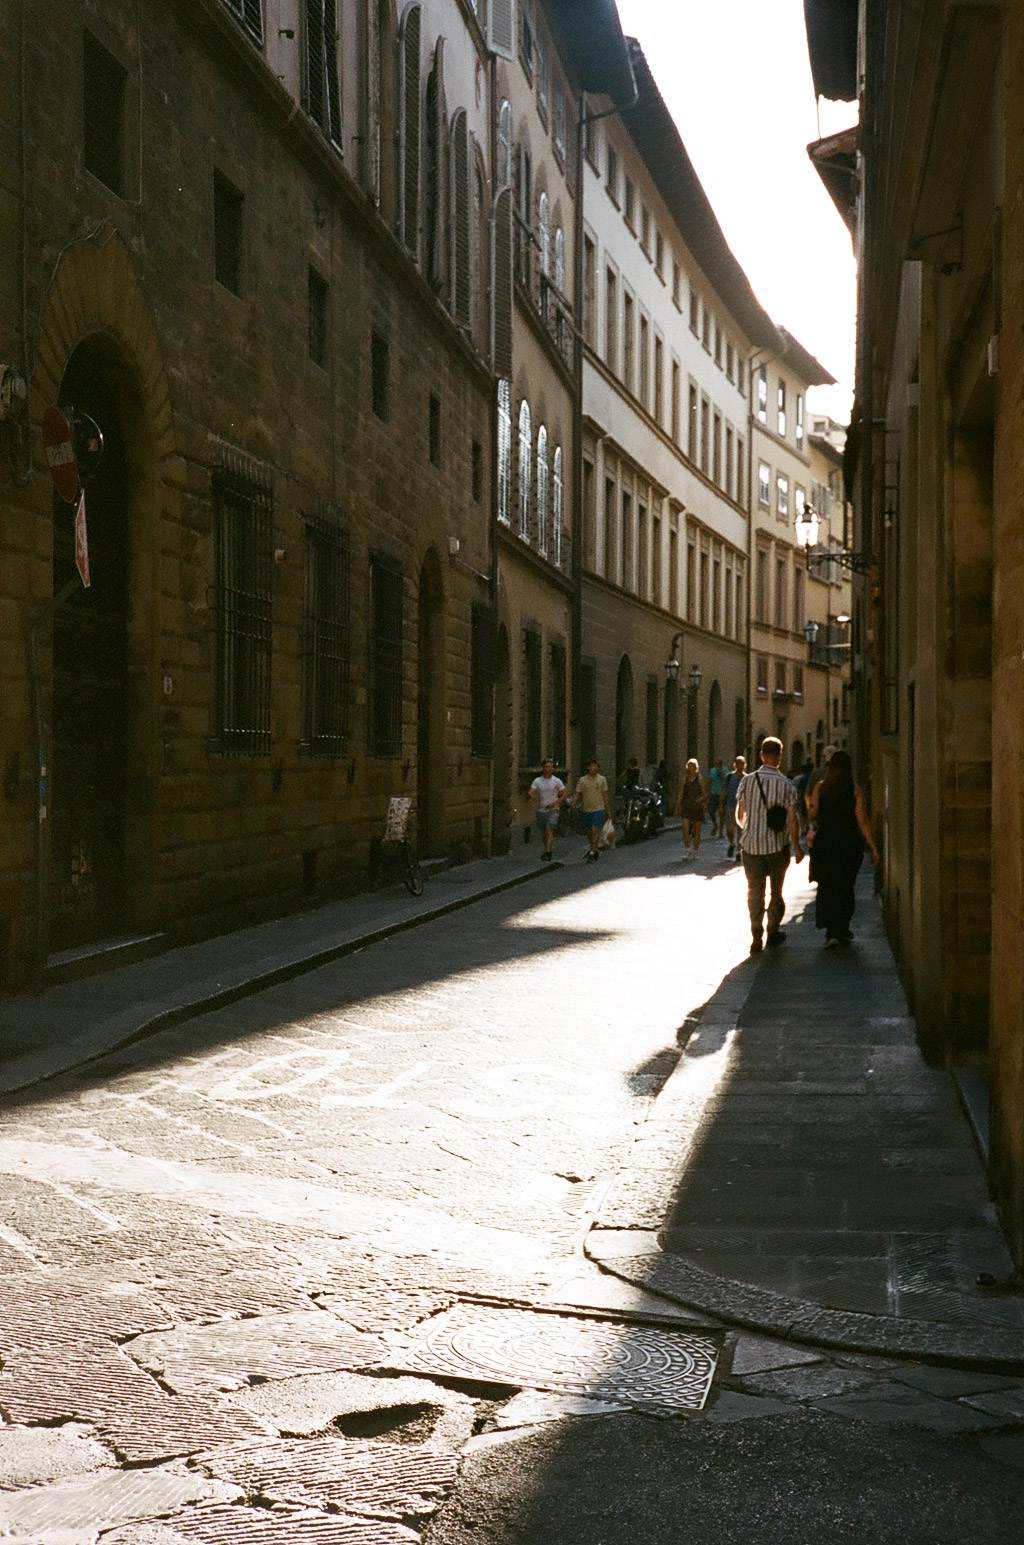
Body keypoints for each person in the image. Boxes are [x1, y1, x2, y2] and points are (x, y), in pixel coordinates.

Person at [735, 736, 804, 952]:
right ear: (780, 757)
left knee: (754, 891)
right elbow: (792, 819)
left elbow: (740, 813)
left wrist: (748, 828)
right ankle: (772, 931)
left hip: (751, 847)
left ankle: (756, 931)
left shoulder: (747, 781)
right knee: (776, 891)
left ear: (761, 756)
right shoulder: (787, 784)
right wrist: (797, 846)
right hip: (777, 847)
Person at [806, 749, 880, 946]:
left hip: (826, 843)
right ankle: (842, 928)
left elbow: (812, 813)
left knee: (828, 885)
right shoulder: (854, 790)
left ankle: (831, 931)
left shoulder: (820, 788)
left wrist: (810, 813)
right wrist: (873, 847)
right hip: (848, 843)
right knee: (845, 886)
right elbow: (862, 819)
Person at [573, 757, 613, 863]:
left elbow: (605, 795)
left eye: (596, 766)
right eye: (593, 766)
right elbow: (577, 793)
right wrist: (573, 803)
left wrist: (608, 811)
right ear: (588, 768)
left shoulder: (602, 780)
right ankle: (594, 849)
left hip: (599, 809)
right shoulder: (582, 780)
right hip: (586, 810)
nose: (595, 768)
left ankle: (591, 853)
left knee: (595, 829)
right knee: (589, 833)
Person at [528, 758, 567, 862]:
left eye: (550, 767)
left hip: (553, 809)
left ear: (553, 769)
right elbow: (531, 791)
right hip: (541, 809)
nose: (548, 769)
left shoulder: (556, 781)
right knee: (544, 832)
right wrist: (533, 796)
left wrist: (555, 803)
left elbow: (564, 794)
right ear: (543, 768)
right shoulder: (538, 781)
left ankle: (548, 852)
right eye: (546, 767)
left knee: (549, 828)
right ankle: (547, 849)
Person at [674, 758, 708, 860]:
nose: (690, 768)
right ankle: (687, 849)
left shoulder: (700, 780)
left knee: (696, 830)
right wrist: (677, 808)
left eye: (692, 766)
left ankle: (695, 851)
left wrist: (701, 799)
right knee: (685, 828)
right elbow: (680, 795)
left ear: (696, 768)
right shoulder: (683, 780)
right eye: (689, 766)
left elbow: (706, 794)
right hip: (686, 806)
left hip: (697, 807)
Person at [722, 754, 746, 859]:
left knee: (741, 829)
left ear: (745, 765)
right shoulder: (729, 777)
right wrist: (720, 805)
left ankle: (739, 851)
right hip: (730, 805)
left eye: (742, 764)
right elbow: (724, 791)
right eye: (738, 764)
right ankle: (732, 843)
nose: (740, 766)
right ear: (734, 765)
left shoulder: (747, 778)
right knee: (730, 829)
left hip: (742, 807)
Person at [708, 758, 729, 837]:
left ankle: (720, 831)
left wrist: (719, 771)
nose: (717, 764)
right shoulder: (712, 770)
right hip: (713, 793)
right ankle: (715, 825)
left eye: (718, 763)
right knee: (711, 811)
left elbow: (725, 779)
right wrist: (708, 792)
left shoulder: (725, 770)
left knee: (722, 813)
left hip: (722, 794)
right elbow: (710, 781)